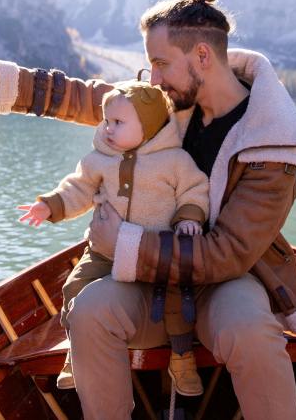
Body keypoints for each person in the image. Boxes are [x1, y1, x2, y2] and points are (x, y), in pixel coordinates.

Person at [0, 0, 296, 420]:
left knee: (251, 329)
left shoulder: (270, 141)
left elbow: (230, 254)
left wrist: (125, 242)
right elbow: (88, 97)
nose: (152, 79)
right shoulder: (168, 100)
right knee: (89, 312)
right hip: (149, 285)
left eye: (160, 64)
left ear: (202, 55)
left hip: (227, 281)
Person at [17, 81, 209, 396]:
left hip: (156, 252)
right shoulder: (100, 159)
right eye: (107, 121)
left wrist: (189, 216)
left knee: (178, 299)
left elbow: (195, 190)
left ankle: (182, 356)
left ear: (147, 126)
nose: (108, 128)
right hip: (105, 253)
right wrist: (49, 205)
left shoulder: (175, 160)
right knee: (74, 286)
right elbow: (77, 188)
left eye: (119, 123)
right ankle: (76, 352)